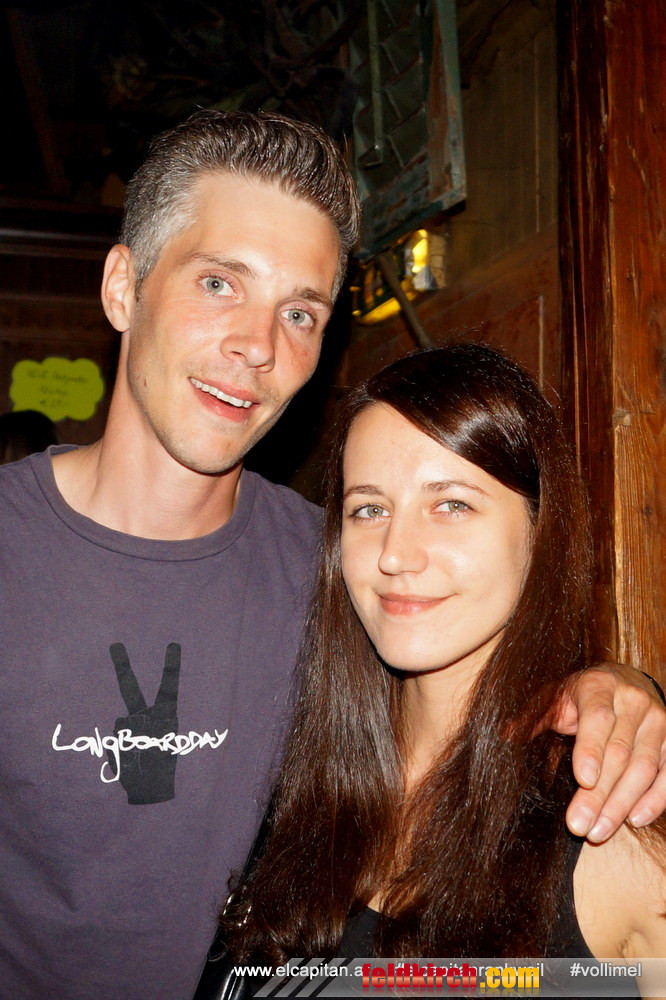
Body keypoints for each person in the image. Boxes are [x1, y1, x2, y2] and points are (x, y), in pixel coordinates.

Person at [0, 111, 663, 1000]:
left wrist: (621, 687)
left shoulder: (337, 572)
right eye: (219, 283)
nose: (258, 345)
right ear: (124, 287)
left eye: (300, 312)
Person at [220, 344, 666, 995]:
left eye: (452, 504)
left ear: (541, 531)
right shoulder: (284, 777)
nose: (396, 554)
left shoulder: (614, 824)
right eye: (369, 509)